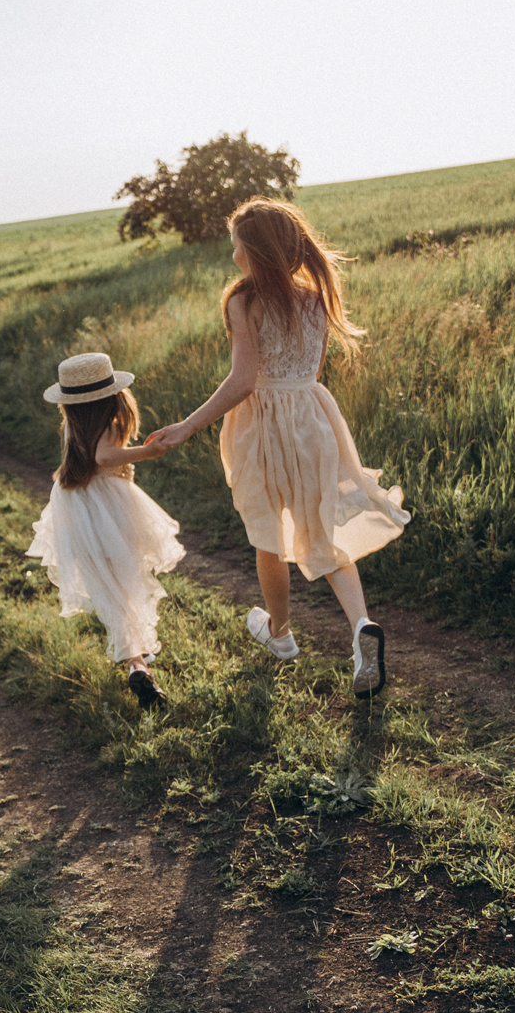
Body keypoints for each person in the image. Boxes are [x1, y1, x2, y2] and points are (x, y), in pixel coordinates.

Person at [150, 198, 409, 697]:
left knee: (268, 534)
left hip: (263, 426)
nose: (232, 257)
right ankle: (361, 629)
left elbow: (244, 381)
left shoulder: (242, 301)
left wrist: (187, 425)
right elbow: (310, 372)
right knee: (321, 526)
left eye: (236, 247)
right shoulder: (315, 297)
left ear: (255, 252)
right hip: (314, 419)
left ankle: (281, 633)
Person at [24, 351, 186, 705]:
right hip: (107, 507)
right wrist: (147, 453)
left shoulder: (73, 425)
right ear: (113, 394)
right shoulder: (110, 424)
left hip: (75, 509)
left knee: (110, 586)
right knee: (126, 583)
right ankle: (137, 664)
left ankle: (135, 663)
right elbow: (104, 458)